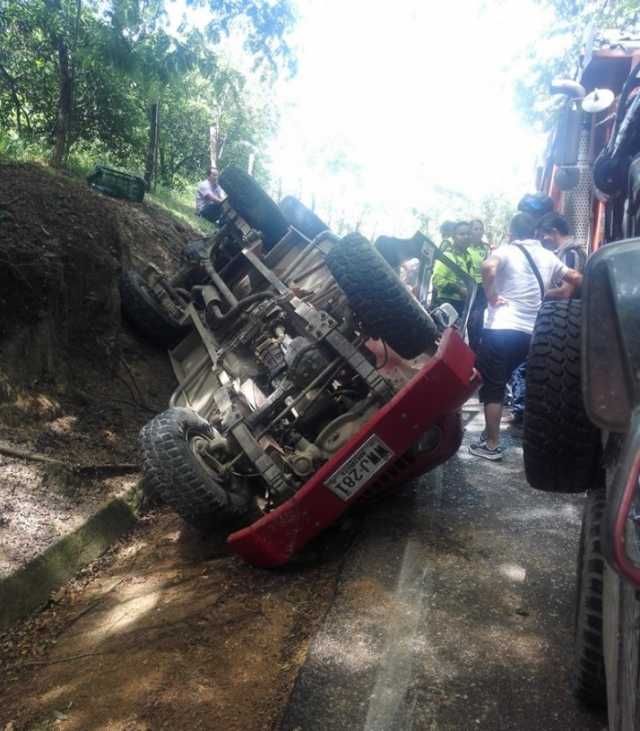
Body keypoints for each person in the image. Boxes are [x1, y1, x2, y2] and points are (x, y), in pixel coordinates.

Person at [469, 212, 583, 461]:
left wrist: (490, 296)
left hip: (501, 328)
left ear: (511, 233)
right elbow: (576, 278)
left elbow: (488, 267)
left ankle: (491, 445)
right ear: (534, 233)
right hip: (532, 333)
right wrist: (560, 293)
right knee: (507, 380)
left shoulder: (506, 250)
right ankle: (490, 433)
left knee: (493, 386)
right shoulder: (548, 255)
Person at [431, 220, 474, 317]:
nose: (466, 237)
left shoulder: (468, 257)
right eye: (461, 234)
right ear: (454, 237)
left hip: (463, 305)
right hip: (446, 304)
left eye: (468, 234)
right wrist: (458, 289)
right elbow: (436, 280)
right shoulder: (447, 256)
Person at [467, 219, 490, 351]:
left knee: (477, 319)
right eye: (476, 229)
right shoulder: (466, 247)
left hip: (481, 287)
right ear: (470, 231)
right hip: (467, 287)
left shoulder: (485, 248)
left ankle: (475, 348)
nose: (479, 231)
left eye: (481, 229)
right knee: (469, 320)